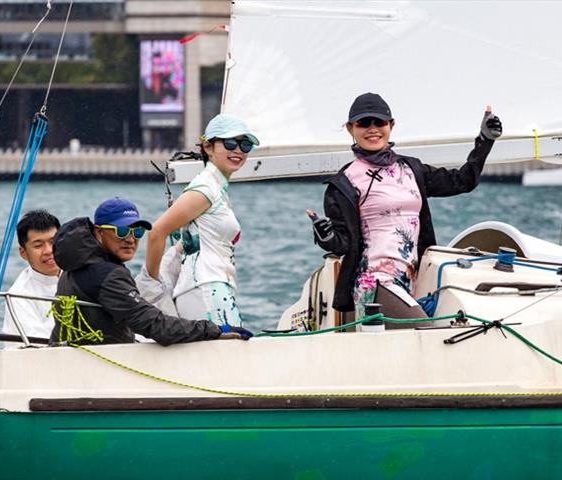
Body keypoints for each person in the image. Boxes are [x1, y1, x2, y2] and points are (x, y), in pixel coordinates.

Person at [307, 92, 502, 325]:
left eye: (379, 122)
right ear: (351, 129)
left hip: (413, 282)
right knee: (428, 334)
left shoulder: (412, 169)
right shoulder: (344, 183)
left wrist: (485, 140)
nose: (372, 129)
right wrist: (325, 235)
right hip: (375, 283)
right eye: (363, 123)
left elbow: (463, 181)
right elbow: (342, 244)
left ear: (391, 125)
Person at [50, 197, 252, 346]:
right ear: (98, 232)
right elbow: (156, 327)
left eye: (137, 232)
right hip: (100, 367)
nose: (130, 239)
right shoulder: (106, 274)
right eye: (121, 231)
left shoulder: (76, 265)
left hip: (73, 355)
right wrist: (215, 329)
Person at [144, 114, 259, 326]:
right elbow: (156, 232)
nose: (238, 150)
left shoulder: (215, 188)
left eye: (245, 144)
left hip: (210, 287)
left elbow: (192, 239)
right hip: (206, 289)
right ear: (208, 147)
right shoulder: (205, 188)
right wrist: (152, 286)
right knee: (229, 355)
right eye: (230, 142)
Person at [2, 209, 61, 344]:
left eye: (53, 242)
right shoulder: (18, 295)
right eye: (38, 245)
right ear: (23, 253)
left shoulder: (82, 274)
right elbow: (36, 348)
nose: (48, 251)